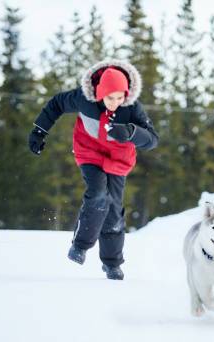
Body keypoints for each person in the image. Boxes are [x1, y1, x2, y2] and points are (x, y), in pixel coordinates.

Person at [28, 59, 159, 280]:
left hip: (118, 160)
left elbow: (153, 139)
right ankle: (80, 245)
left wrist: (130, 132)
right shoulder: (83, 99)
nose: (115, 103)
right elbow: (57, 103)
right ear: (99, 93)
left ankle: (112, 263)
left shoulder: (132, 107)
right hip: (89, 152)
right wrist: (39, 131)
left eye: (120, 97)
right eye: (110, 98)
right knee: (98, 194)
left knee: (114, 210)